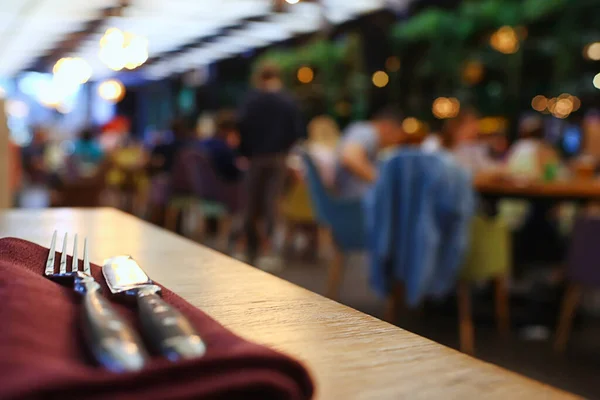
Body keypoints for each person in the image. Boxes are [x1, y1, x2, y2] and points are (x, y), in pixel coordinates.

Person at [238, 63, 304, 265]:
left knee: (252, 204)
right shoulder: (287, 101)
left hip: (256, 158)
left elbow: (243, 129)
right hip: (278, 158)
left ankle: (251, 249)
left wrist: (245, 153)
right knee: (272, 204)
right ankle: (270, 252)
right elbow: (296, 131)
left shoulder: (251, 101)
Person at [334, 108, 407, 199]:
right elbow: (350, 157)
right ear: (388, 127)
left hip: (357, 200)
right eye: (397, 135)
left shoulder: (367, 134)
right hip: (355, 202)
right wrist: (383, 182)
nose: (397, 141)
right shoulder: (366, 131)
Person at [199, 111, 243, 183]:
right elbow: (233, 172)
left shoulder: (205, 143)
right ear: (230, 129)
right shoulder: (223, 148)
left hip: (205, 187)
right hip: (223, 188)